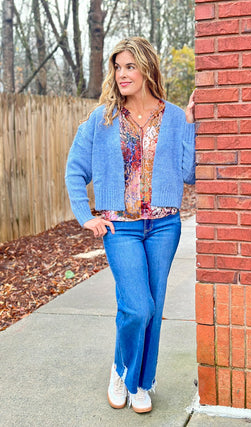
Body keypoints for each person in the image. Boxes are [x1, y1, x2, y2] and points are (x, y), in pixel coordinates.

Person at [65, 36, 195, 414]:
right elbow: (76, 169)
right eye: (118, 67)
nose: (122, 74)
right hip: (119, 227)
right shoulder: (102, 118)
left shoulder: (171, 116)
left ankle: (142, 382)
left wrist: (189, 123)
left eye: (130, 66)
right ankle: (121, 371)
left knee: (153, 306)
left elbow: (188, 173)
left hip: (164, 226)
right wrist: (85, 215)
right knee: (136, 307)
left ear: (147, 69)